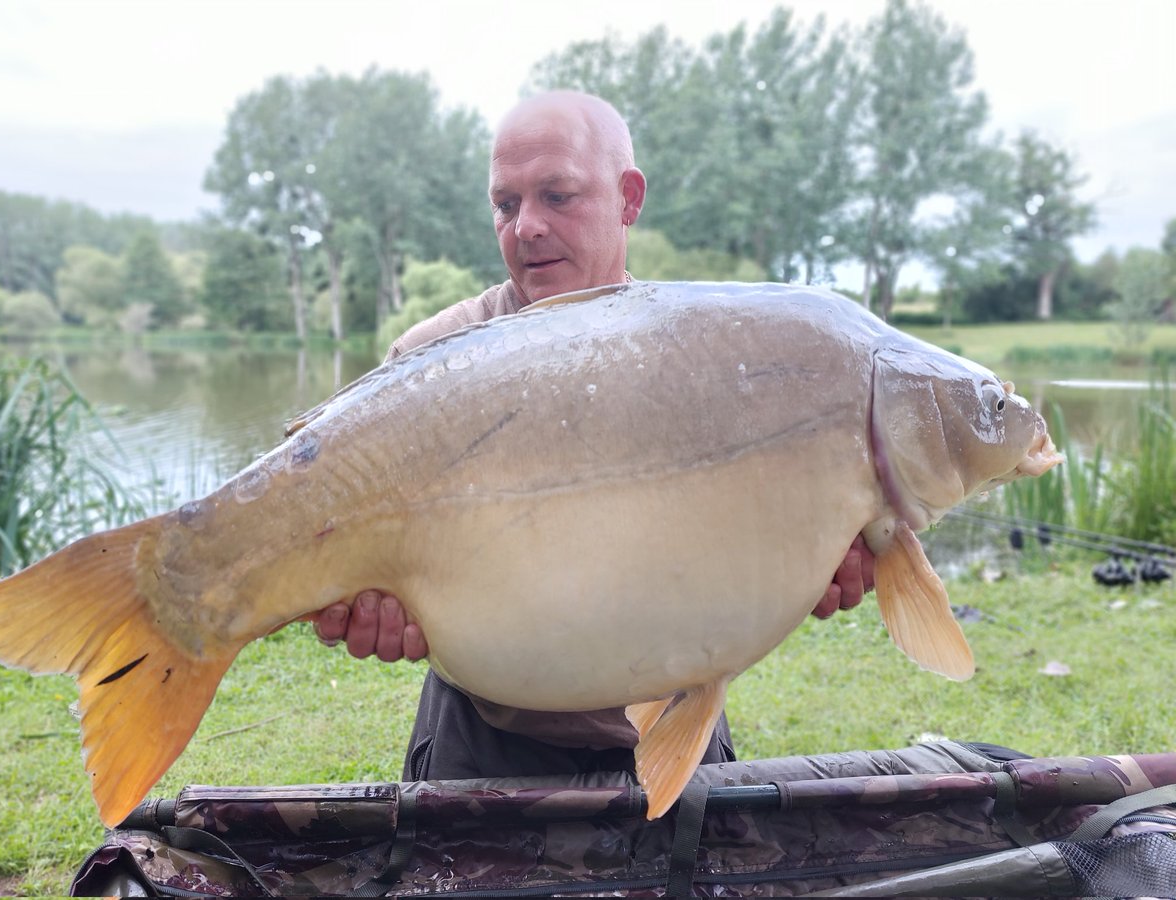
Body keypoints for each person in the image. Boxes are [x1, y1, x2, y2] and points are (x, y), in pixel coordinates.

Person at [313, 90, 876, 782]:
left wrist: (810, 560)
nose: (527, 227)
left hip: (678, 717)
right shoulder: (430, 363)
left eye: (558, 196)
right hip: (483, 734)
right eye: (506, 204)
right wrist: (366, 602)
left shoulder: (710, 359)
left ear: (628, 197)